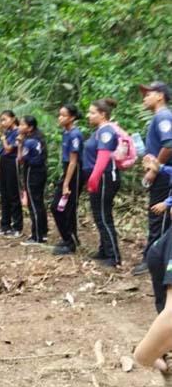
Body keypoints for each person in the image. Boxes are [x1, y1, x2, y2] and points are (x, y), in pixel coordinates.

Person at [133, 82, 172, 276]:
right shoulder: (158, 117)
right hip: (162, 174)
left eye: (148, 94)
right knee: (157, 217)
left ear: (160, 96)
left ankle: (155, 259)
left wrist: (154, 170)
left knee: (160, 217)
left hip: (164, 176)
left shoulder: (163, 116)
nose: (144, 98)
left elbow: (169, 144)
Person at [84, 98, 121, 267]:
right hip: (99, 177)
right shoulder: (100, 130)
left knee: (104, 216)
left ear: (103, 114)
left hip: (104, 177)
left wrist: (94, 177)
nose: (88, 116)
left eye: (92, 113)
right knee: (99, 215)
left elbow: (103, 157)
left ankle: (113, 256)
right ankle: (104, 250)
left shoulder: (106, 131)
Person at [51, 104, 83, 255]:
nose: (60, 118)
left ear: (72, 118)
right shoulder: (66, 132)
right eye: (59, 115)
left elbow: (73, 161)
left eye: (63, 115)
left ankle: (70, 242)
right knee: (62, 207)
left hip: (74, 173)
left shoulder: (75, 135)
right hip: (67, 170)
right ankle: (69, 238)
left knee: (60, 207)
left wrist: (66, 183)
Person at [17, 115, 48, 245]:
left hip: (32, 172)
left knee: (33, 204)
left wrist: (19, 144)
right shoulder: (38, 138)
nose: (19, 127)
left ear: (30, 127)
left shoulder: (29, 142)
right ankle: (43, 231)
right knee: (39, 202)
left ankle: (37, 236)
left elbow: (20, 159)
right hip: (41, 171)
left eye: (22, 125)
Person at [0, 110, 22, 237]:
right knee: (4, 194)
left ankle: (17, 226)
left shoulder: (18, 133)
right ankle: (5, 225)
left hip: (12, 163)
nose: (2, 123)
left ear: (13, 119)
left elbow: (9, 149)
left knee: (13, 195)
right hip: (4, 163)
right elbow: (2, 153)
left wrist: (3, 138)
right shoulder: (7, 132)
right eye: (1, 120)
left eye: (4, 119)